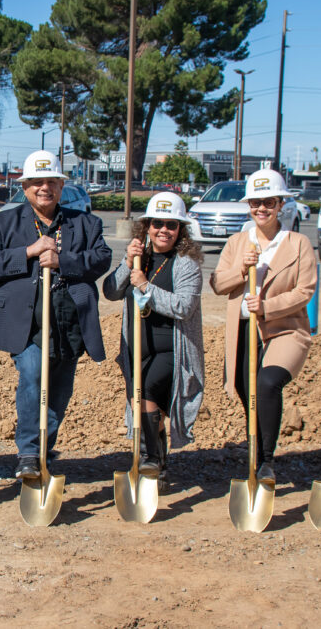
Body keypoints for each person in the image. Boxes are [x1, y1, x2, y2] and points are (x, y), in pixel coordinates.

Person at [0, 150, 112, 479]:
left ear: (61, 186)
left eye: (51, 181)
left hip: (69, 323)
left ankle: (43, 452)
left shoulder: (86, 223)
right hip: (25, 325)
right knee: (35, 373)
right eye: (37, 182)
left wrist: (62, 261)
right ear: (25, 187)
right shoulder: (5, 222)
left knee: (60, 391)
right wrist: (29, 252)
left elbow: (101, 260)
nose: (44, 188)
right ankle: (27, 451)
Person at [210, 169, 317, 486]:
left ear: (281, 203)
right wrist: (242, 269)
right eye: (255, 202)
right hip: (243, 332)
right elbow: (217, 283)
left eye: (268, 201)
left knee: (267, 383)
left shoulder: (298, 244)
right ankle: (256, 455)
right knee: (248, 393)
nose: (261, 209)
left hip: (285, 331)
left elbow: (305, 290)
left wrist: (267, 306)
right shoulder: (237, 242)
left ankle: (266, 463)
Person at [102, 192, 204, 492]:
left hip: (171, 349)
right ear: (146, 226)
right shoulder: (139, 258)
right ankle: (157, 460)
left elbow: (184, 306)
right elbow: (110, 291)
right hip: (135, 347)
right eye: (157, 223)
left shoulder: (186, 264)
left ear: (180, 230)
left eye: (171, 225)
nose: (163, 230)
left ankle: (148, 457)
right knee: (144, 407)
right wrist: (126, 260)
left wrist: (146, 286)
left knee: (145, 393)